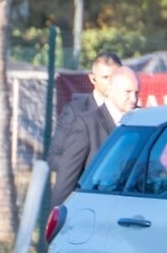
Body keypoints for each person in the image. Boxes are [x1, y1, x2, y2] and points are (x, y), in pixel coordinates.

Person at [52, 66, 140, 206]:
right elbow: (66, 180)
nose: (134, 99)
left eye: (137, 92)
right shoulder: (87, 125)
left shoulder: (140, 124)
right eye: (128, 92)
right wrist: (59, 220)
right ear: (111, 90)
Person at [49, 52, 123, 174]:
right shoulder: (75, 111)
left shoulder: (132, 111)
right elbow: (54, 157)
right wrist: (87, 173)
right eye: (105, 77)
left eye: (114, 77)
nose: (111, 83)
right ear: (92, 79)